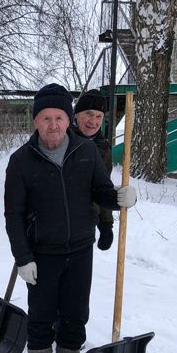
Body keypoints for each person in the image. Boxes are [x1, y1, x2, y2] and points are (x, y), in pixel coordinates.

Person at [3, 83, 136, 353]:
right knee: (41, 312)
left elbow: (99, 190)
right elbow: (13, 214)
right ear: (35, 122)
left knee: (76, 312)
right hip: (42, 252)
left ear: (68, 120)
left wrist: (119, 197)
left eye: (59, 118)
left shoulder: (85, 151)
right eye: (46, 118)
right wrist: (23, 257)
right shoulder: (22, 160)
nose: (53, 125)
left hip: (79, 249)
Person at [72, 89, 115, 251]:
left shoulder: (103, 147)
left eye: (99, 116)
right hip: (55, 227)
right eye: (89, 114)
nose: (93, 121)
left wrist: (106, 224)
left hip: (86, 225)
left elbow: (103, 187)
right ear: (76, 115)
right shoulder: (62, 140)